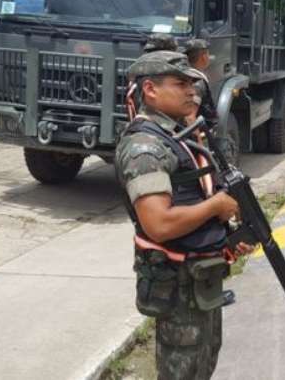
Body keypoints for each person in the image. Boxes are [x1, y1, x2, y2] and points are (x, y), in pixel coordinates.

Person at [115, 50, 253, 379]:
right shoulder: (145, 147)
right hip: (178, 287)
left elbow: (194, 192)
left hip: (200, 279)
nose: (192, 91)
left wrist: (227, 234)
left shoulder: (177, 136)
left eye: (192, 84)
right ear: (150, 89)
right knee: (182, 371)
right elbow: (159, 224)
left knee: (203, 364)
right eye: (180, 84)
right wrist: (216, 206)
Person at [182, 38, 217, 127]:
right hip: (198, 133)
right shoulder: (197, 82)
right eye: (208, 54)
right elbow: (190, 117)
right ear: (203, 57)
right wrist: (198, 140)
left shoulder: (186, 75)